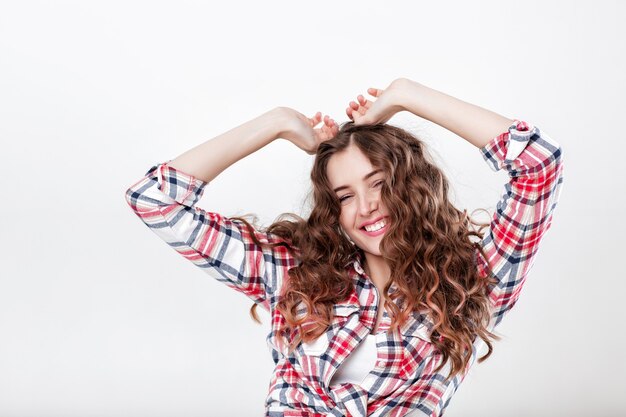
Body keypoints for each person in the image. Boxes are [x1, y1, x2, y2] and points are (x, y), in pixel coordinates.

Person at [124, 77, 564, 417]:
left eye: (380, 184)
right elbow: (155, 201)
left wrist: (406, 95)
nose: (367, 207)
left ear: (413, 187)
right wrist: (276, 122)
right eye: (345, 195)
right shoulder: (294, 272)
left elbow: (538, 165)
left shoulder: (471, 282)